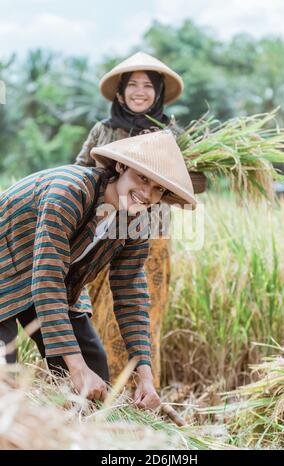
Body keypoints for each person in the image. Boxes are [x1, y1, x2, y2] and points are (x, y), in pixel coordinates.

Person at [0, 130, 197, 410]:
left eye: (158, 189)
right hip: (7, 271)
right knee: (3, 378)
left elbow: (131, 295)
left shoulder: (135, 222)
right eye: (142, 178)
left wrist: (145, 374)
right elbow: (47, 279)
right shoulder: (70, 192)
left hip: (58, 284)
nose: (147, 194)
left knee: (95, 382)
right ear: (121, 166)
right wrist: (76, 369)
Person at [75, 52, 205, 387]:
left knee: (143, 315)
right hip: (101, 233)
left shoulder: (173, 135)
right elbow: (79, 171)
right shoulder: (102, 131)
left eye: (148, 86)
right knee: (97, 313)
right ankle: (96, 387)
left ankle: (142, 395)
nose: (140, 91)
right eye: (132, 85)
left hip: (151, 238)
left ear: (158, 93)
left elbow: (191, 183)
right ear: (119, 93)